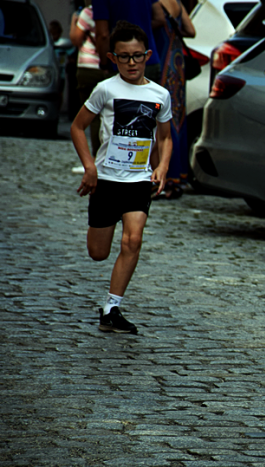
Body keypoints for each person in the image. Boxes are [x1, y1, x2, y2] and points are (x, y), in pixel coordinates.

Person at [70, 21, 173, 334]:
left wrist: (163, 166)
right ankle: (110, 303)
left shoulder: (160, 95)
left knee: (133, 239)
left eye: (138, 56)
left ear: (148, 56)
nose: (132, 63)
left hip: (138, 181)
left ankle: (111, 308)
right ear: (113, 58)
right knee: (98, 253)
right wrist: (90, 166)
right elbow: (77, 127)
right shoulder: (105, 89)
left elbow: (166, 137)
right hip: (105, 180)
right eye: (125, 56)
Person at [152, 0, 195, 199]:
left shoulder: (156, 3)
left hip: (162, 60)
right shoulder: (177, 3)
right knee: (177, 120)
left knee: (164, 121)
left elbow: (158, 21)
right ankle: (178, 178)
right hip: (178, 65)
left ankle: (167, 178)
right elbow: (190, 31)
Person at [92, 0, 165, 83]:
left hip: (119, 64)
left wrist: (104, 64)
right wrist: (140, 30)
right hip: (149, 61)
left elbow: (103, 35)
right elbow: (160, 18)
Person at [70, 5, 105, 158]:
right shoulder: (114, 9)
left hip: (89, 66)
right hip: (109, 67)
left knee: (92, 116)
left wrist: (73, 21)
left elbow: (75, 39)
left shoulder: (89, 12)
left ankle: (96, 157)